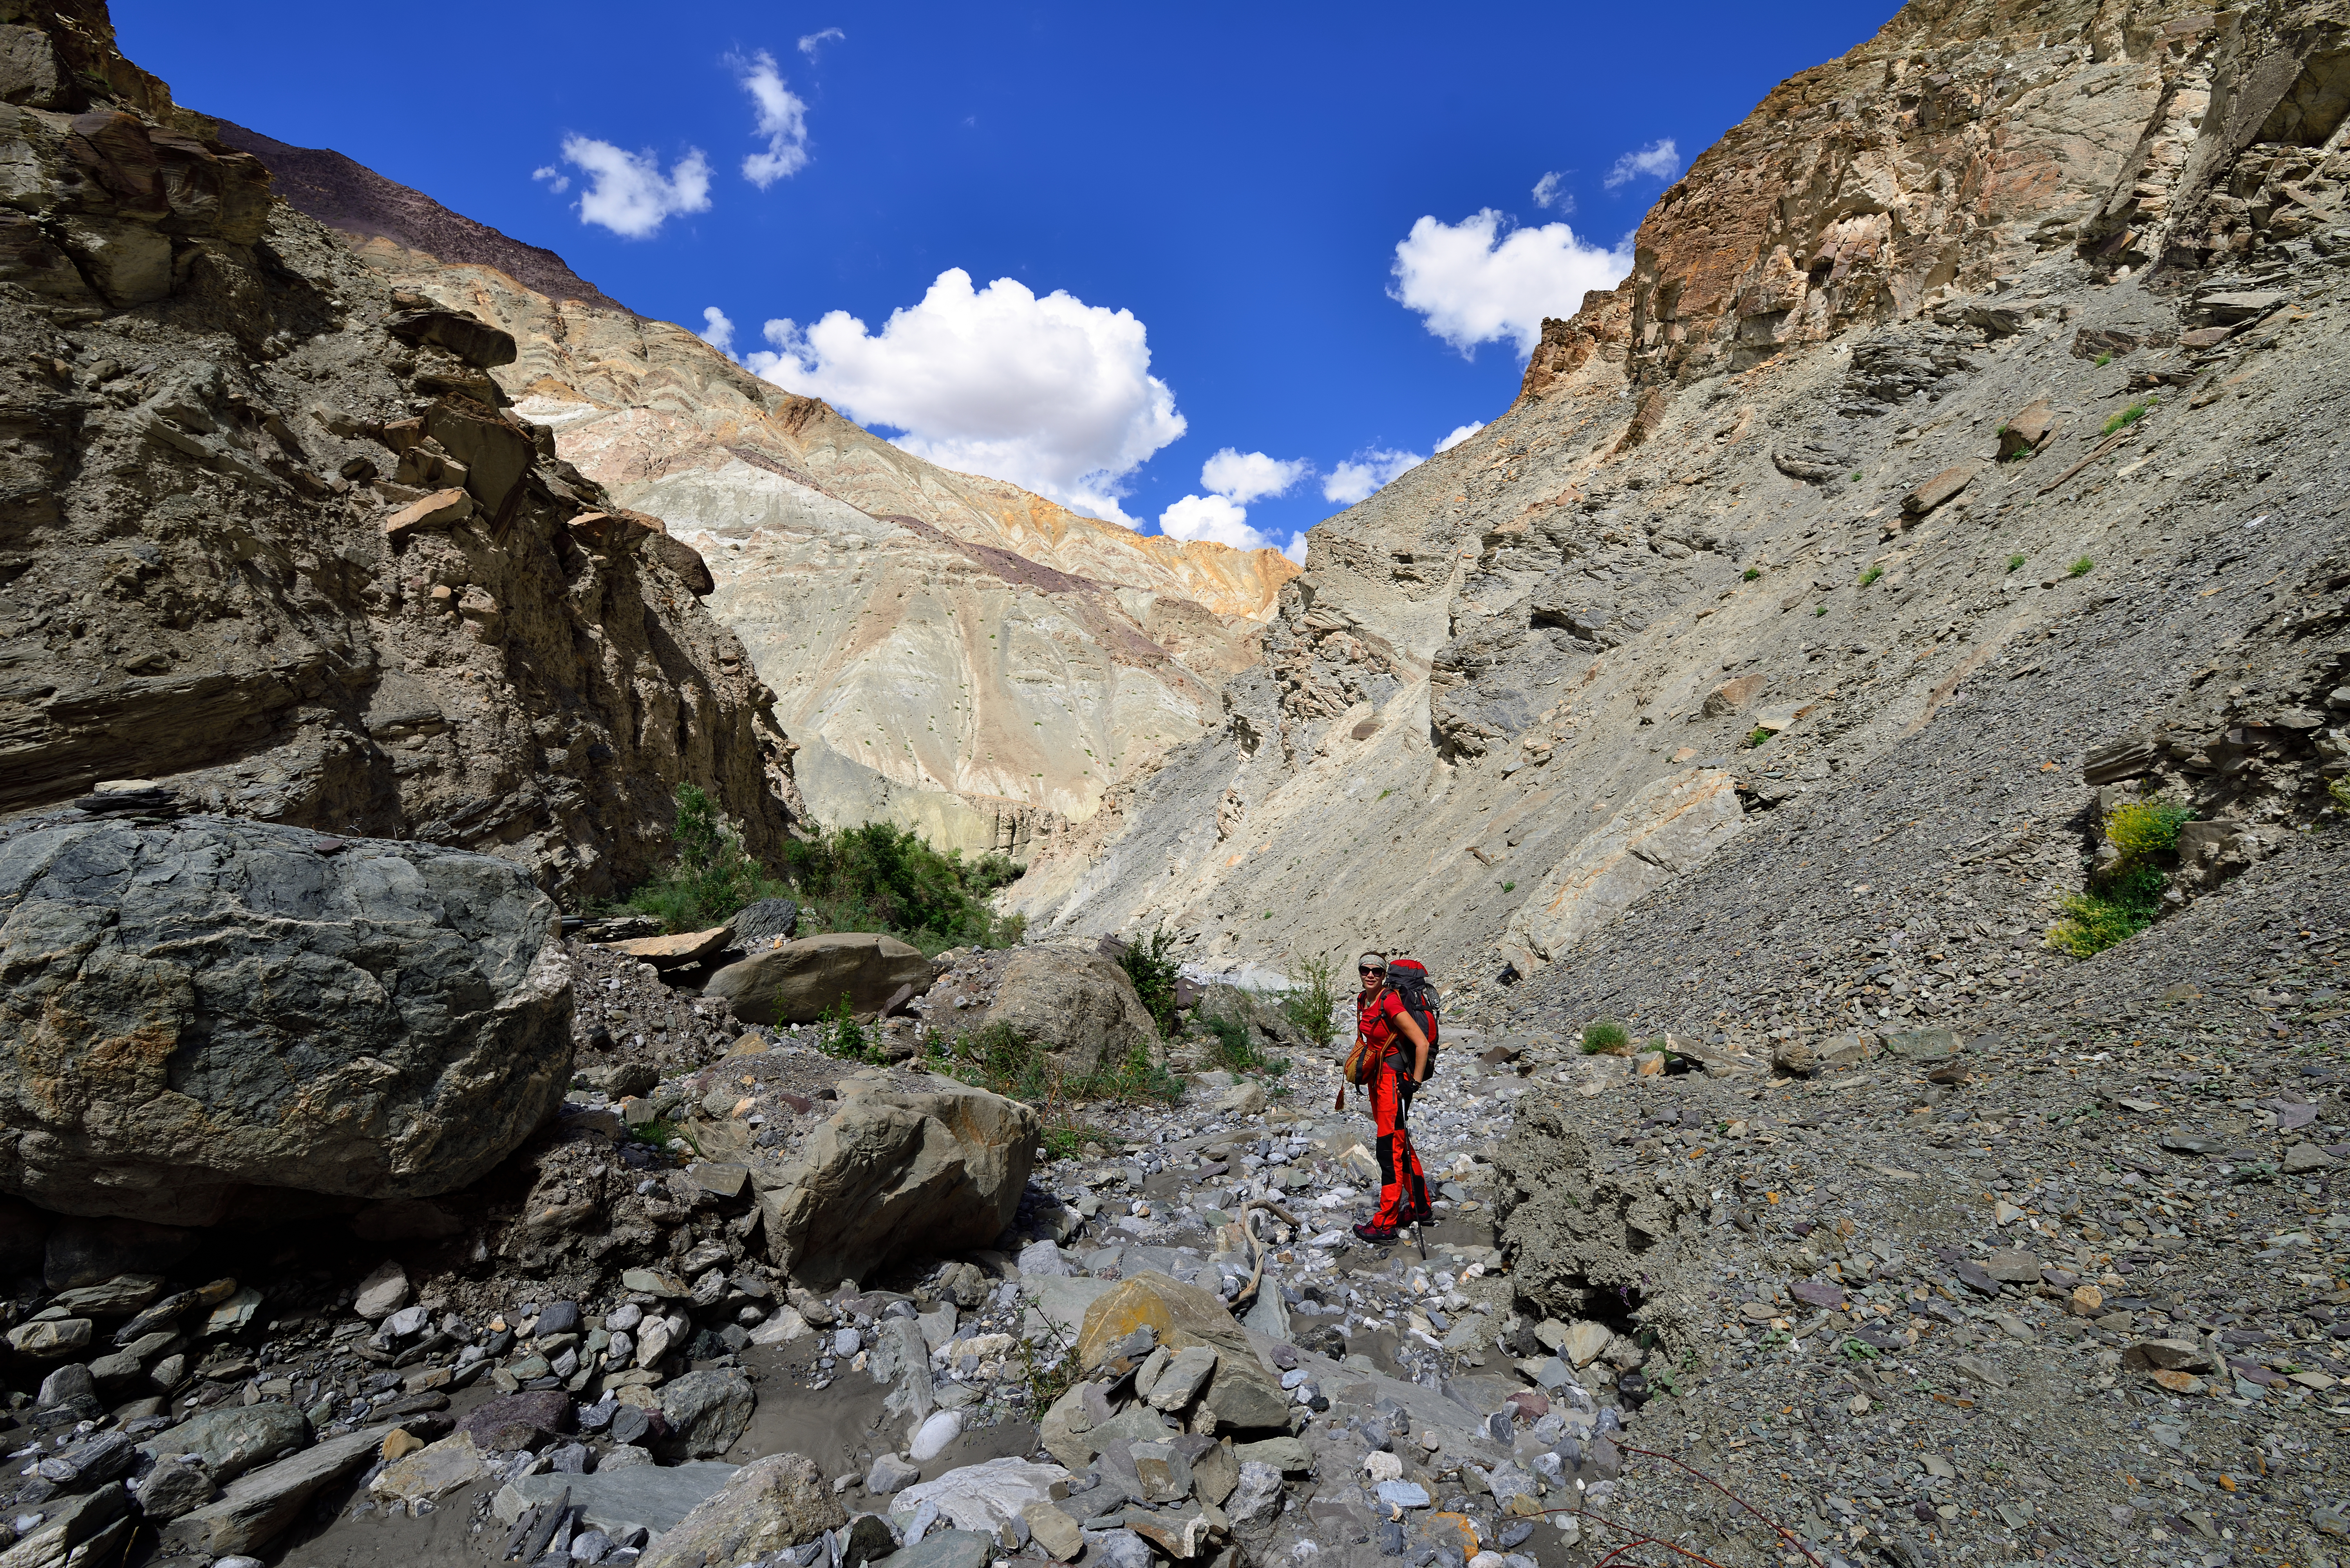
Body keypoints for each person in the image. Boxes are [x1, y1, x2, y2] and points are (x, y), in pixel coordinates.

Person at [1352, 952, 1432, 1242]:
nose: (1370, 975)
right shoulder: (1363, 1000)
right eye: (1365, 969)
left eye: (1376, 971)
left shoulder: (1390, 1001)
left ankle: (1385, 1223)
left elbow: (1421, 1043)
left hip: (1394, 1084)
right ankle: (1421, 1207)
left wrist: (1415, 1082)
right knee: (1400, 1141)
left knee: (1389, 1150)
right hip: (1378, 1081)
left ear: (1384, 975)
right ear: (1360, 972)